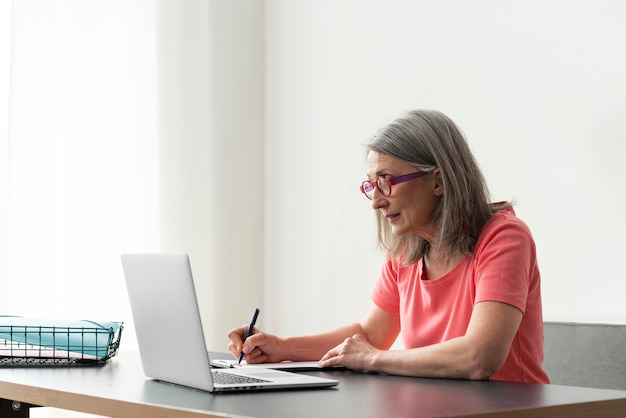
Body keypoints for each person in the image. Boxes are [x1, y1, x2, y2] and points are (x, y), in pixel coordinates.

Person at [227, 110, 550, 383]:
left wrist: (373, 359)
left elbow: (480, 357)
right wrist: (282, 349)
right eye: (371, 185)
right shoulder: (407, 251)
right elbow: (369, 335)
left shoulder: (504, 238)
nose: (376, 202)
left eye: (387, 181)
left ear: (438, 181)